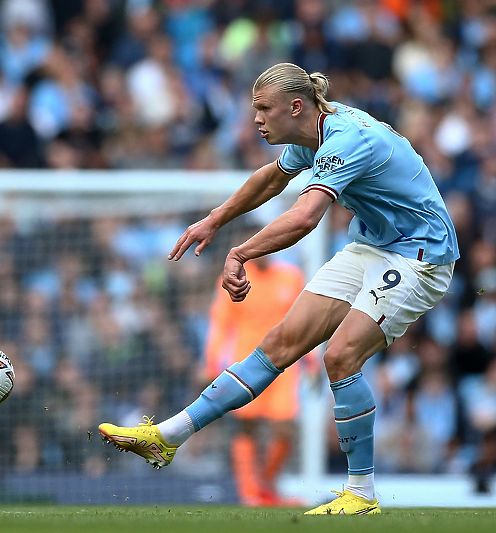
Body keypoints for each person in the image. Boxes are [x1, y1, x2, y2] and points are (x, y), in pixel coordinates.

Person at [99, 62, 459, 515]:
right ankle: (168, 436)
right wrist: (214, 219)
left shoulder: (347, 139)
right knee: (280, 343)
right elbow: (271, 179)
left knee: (340, 355)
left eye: (263, 109)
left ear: (295, 106)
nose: (255, 119)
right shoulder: (315, 136)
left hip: (419, 255)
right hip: (373, 246)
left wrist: (239, 252)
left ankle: (362, 494)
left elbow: (306, 217)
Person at [202, 226, 306, 506]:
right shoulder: (234, 279)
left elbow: (306, 320)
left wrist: (311, 357)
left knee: (286, 429)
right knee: (246, 427)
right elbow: (221, 321)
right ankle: (251, 493)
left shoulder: (290, 276)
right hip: (247, 364)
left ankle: (266, 486)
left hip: (285, 366)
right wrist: (212, 359)